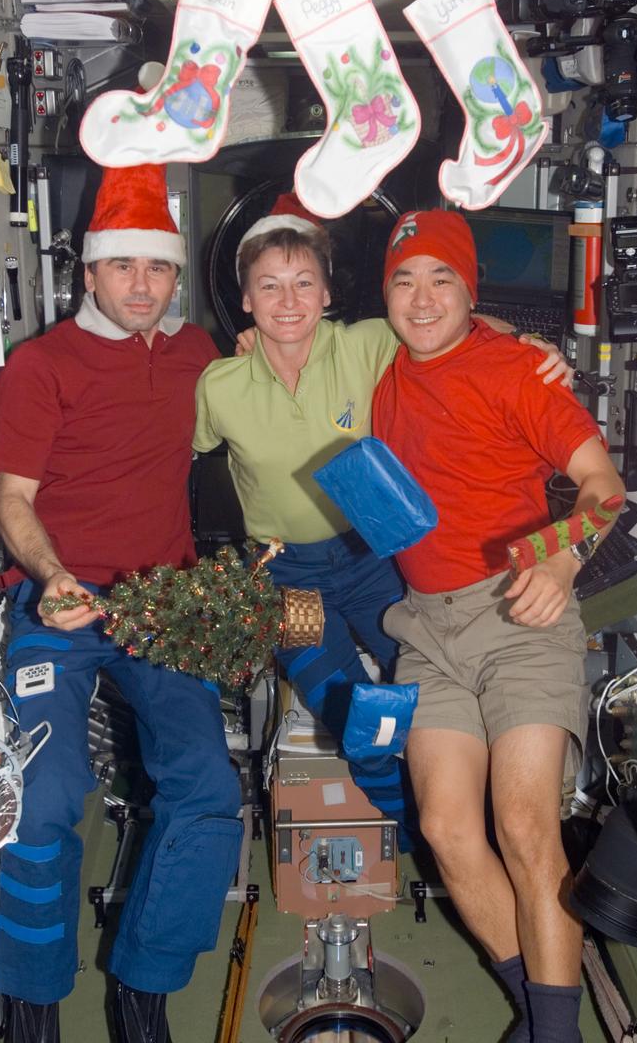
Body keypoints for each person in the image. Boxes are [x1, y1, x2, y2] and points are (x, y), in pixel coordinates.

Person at [193, 195, 572, 850]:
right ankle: (436, 851)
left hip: (371, 560)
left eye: (303, 282)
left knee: (439, 697)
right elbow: (186, 459)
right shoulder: (217, 386)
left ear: (326, 293)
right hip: (289, 581)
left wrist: (526, 345)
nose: (288, 300)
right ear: (246, 300)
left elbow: (443, 320)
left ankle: (492, 826)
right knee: (361, 720)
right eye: (269, 286)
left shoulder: (366, 347)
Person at [0, 165, 242, 1043]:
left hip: (162, 602)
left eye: (158, 268)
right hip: (58, 599)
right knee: (43, 795)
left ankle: (143, 988)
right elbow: (11, 498)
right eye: (123, 266)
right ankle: (32, 1000)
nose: (142, 285)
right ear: (88, 272)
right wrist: (52, 575)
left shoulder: (196, 355)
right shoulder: (39, 365)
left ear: (176, 276)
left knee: (207, 785)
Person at [372, 209, 625, 1043]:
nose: (420, 298)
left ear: (467, 290)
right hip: (425, 631)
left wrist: (557, 563)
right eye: (404, 279)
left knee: (523, 824)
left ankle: (556, 1033)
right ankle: (537, 1006)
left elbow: (602, 487)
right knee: (446, 831)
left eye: (441, 280)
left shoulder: (519, 373)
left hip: (517, 610)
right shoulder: (377, 364)